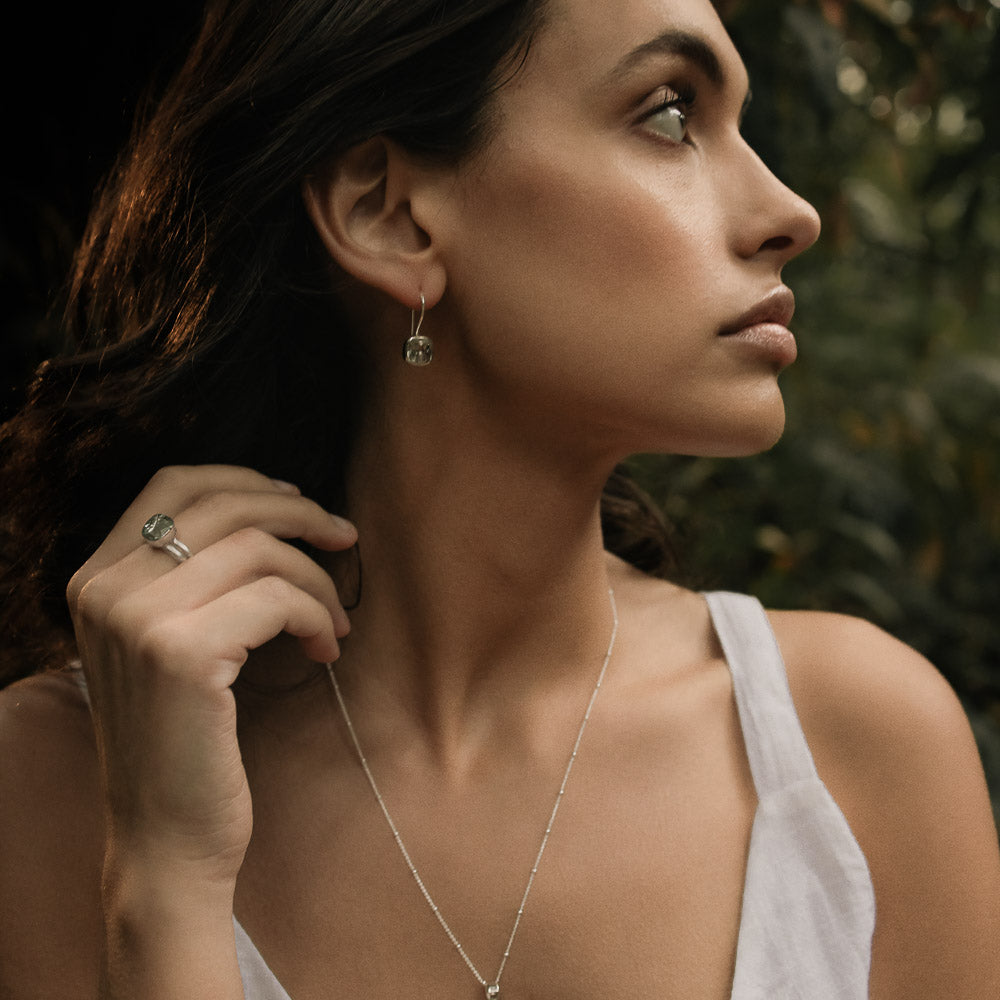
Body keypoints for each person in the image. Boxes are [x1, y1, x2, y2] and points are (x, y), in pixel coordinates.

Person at [1, 0, 998, 997]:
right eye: (667, 114)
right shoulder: (53, 783)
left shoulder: (856, 748)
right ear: (388, 213)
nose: (791, 211)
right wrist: (165, 880)